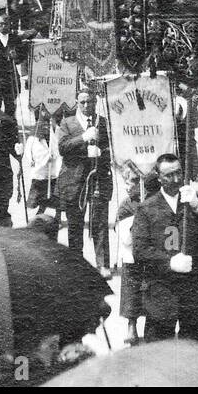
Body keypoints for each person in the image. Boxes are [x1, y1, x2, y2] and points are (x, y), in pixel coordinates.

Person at [131, 152, 198, 343]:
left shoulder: (196, 198)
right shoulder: (147, 208)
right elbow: (140, 250)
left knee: (194, 351)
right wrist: (169, 262)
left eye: (178, 173)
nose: (175, 179)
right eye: (169, 175)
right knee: (159, 353)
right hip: (162, 293)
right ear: (159, 177)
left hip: (195, 293)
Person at [56, 89, 113, 276]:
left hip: (98, 179)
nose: (87, 105)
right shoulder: (67, 122)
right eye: (82, 102)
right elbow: (63, 148)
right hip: (74, 181)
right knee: (75, 223)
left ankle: (103, 264)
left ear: (95, 102)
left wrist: (101, 152)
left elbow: (111, 147)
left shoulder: (102, 122)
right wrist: (83, 138)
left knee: (100, 222)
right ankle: (75, 262)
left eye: (90, 102)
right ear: (76, 103)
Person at [115, 167, 161, 345]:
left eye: (133, 181)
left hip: (152, 254)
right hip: (133, 256)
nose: (128, 186)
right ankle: (131, 324)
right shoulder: (127, 205)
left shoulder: (156, 201)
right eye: (126, 181)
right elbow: (126, 236)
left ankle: (153, 326)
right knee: (131, 291)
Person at [23, 117, 55, 216]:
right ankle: (32, 215)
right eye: (44, 126)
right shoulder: (33, 138)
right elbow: (33, 152)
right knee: (36, 196)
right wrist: (48, 156)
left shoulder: (52, 136)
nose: (46, 128)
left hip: (52, 172)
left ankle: (46, 213)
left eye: (47, 126)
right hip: (39, 172)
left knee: (49, 196)